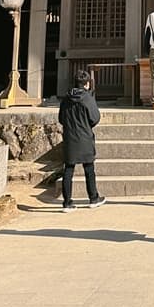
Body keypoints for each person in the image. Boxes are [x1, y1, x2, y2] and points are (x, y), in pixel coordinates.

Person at [58, 68, 106, 212]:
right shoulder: (87, 98)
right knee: (89, 168)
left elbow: (61, 118)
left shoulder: (66, 98)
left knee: (68, 169)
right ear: (86, 84)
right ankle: (93, 197)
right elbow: (95, 118)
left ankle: (67, 202)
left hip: (70, 136)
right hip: (84, 136)